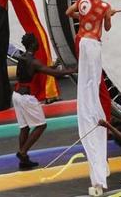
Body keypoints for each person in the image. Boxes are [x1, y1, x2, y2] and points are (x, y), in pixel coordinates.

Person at [65, 0, 115, 195]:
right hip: (93, 42)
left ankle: (89, 99)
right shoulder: (104, 6)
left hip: (80, 39)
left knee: (87, 80)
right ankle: (93, 106)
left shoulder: (82, 0)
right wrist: (109, 16)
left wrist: (82, 16)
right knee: (93, 82)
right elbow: (107, 28)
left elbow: (69, 13)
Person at [13, 33, 76, 169]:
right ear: (33, 45)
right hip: (27, 98)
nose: (38, 43)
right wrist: (73, 70)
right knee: (41, 125)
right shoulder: (34, 62)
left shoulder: (23, 57)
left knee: (24, 127)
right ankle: (22, 152)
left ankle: (23, 159)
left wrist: (55, 66)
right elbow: (52, 74)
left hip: (17, 95)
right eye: (36, 41)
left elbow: (41, 70)